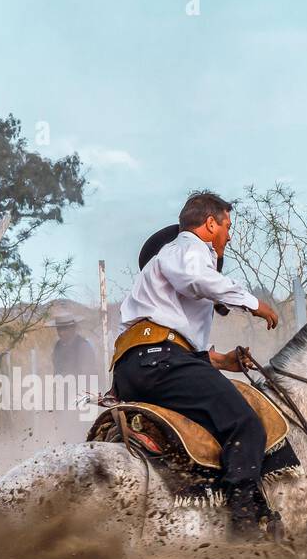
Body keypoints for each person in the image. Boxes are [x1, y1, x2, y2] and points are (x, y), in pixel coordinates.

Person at [112, 190, 282, 540]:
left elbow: (171, 337)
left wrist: (220, 361)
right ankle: (246, 522)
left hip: (139, 365)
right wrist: (253, 304)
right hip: (160, 362)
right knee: (244, 422)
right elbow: (197, 280)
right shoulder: (188, 247)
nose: (230, 236)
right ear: (210, 224)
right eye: (227, 226)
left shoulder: (166, 271)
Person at [50, 313, 97, 378]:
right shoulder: (58, 345)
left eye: (65, 329)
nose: (61, 333)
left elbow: (88, 373)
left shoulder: (83, 346)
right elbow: (56, 370)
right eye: (59, 329)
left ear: (73, 328)